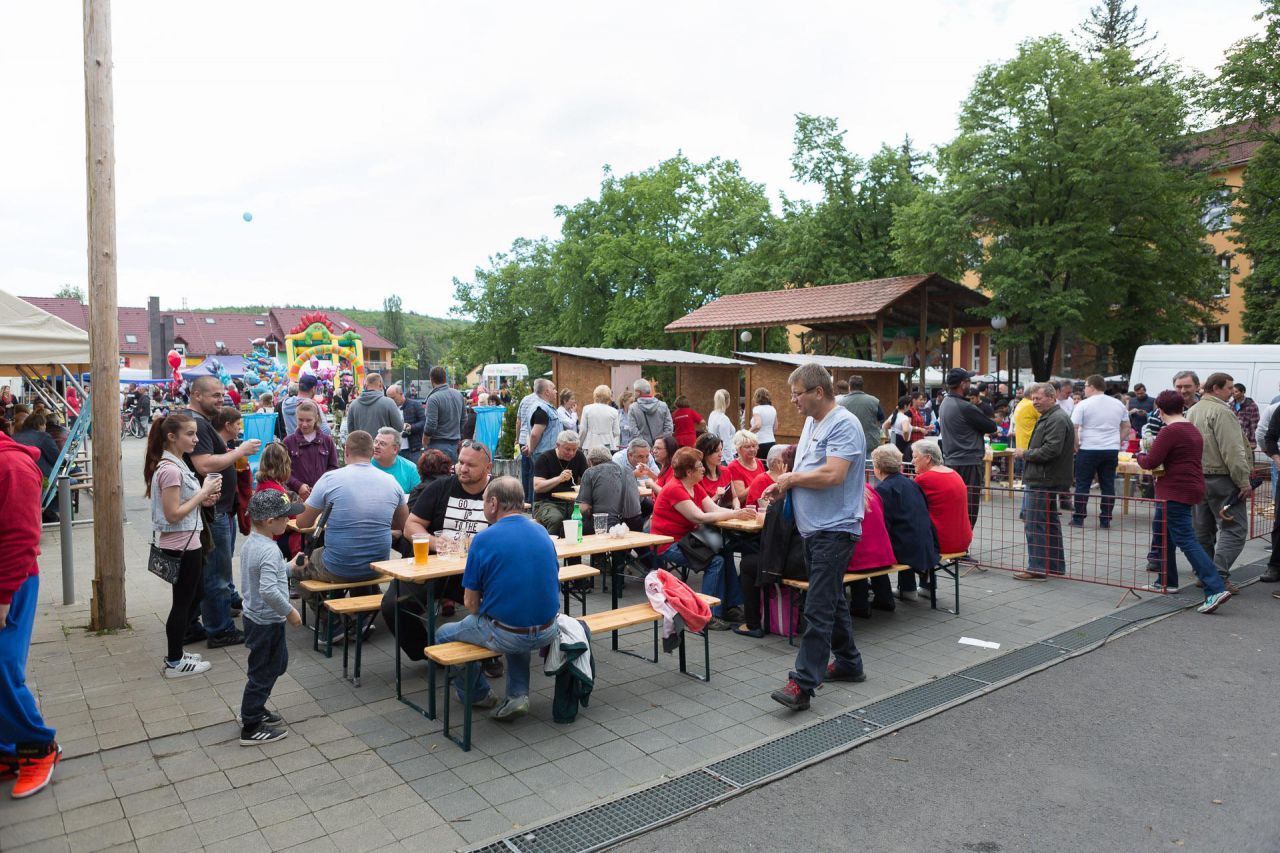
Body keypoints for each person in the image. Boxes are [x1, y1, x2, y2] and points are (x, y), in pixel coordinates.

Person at [763, 362, 867, 711]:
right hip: (813, 528)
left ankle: (803, 683)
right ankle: (849, 662)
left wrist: (791, 480)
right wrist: (784, 486)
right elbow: (808, 468)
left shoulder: (844, 424)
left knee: (817, 607)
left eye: (797, 394)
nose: (792, 400)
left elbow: (834, 474)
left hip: (835, 530)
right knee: (831, 599)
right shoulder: (811, 421)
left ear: (818, 392)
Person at [432, 477, 561, 722]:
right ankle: (517, 695)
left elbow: (471, 604)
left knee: (442, 634)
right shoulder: (541, 530)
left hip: (510, 634)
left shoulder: (483, 539)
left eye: (483, 502)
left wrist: (493, 609)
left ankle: (477, 695)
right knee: (514, 619)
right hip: (549, 629)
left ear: (493, 503)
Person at [387, 439, 495, 661]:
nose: (462, 468)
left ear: (488, 467)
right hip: (435, 567)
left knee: (499, 600)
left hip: (479, 571)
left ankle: (488, 656)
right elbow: (410, 526)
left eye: (471, 465)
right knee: (392, 604)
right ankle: (430, 653)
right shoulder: (439, 487)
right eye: (460, 462)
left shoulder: (499, 491)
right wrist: (435, 542)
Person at [0, 428, 61, 798]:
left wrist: (4, 595)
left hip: (11, 582)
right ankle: (8, 749)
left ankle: (37, 746)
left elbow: (22, 536)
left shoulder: (12, 465)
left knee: (2, 668)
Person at [1136, 391, 1234, 613]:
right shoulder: (1191, 428)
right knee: (1164, 533)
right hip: (1189, 487)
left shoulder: (1170, 431)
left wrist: (1139, 455)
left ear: (1160, 410)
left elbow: (1151, 461)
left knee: (1186, 540)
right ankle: (1167, 581)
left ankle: (1215, 588)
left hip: (1174, 490)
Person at [144, 413, 220, 678]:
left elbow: (182, 506)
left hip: (188, 540)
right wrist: (203, 493)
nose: (196, 439)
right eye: (190, 434)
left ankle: (177, 653)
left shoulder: (177, 464)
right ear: (171, 437)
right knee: (183, 603)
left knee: (194, 596)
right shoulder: (171, 469)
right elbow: (172, 514)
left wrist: (203, 498)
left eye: (195, 433)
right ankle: (174, 661)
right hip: (181, 543)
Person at [187, 376, 261, 649]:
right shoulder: (196, 423)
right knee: (216, 574)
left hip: (214, 509)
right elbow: (204, 464)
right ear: (197, 395)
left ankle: (191, 626)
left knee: (203, 573)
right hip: (212, 511)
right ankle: (219, 629)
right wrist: (239, 451)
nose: (222, 399)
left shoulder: (198, 423)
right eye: (215, 395)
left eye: (222, 394)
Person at [294, 430, 409, 599]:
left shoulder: (330, 479)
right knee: (347, 556)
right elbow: (404, 524)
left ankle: (325, 612)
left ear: (346, 451)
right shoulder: (391, 481)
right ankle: (361, 608)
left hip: (338, 567)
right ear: (372, 452)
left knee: (297, 565)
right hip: (379, 566)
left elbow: (302, 523)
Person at [649, 447, 756, 628]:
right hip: (667, 543)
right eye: (699, 466)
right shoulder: (675, 488)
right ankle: (707, 614)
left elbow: (713, 509)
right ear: (689, 472)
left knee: (726, 550)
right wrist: (735, 514)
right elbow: (698, 517)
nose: (703, 469)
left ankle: (730, 606)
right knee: (715, 562)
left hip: (688, 539)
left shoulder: (693, 485)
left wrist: (737, 513)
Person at [236, 490, 305, 745]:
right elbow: (268, 589)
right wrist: (290, 611)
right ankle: (251, 724)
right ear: (269, 521)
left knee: (274, 665)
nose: (288, 521)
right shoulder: (269, 550)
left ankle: (255, 706)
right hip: (266, 621)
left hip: (256, 618)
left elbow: (267, 575)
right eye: (285, 517)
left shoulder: (253, 544)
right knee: (263, 672)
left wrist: (290, 567)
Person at [1187, 372, 1253, 588]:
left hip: (1198, 478)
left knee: (1202, 530)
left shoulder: (1193, 410)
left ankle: (1205, 575)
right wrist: (1243, 481)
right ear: (1215, 388)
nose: (1232, 392)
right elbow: (1232, 450)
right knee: (1235, 529)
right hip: (1221, 479)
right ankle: (1216, 576)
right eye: (1229, 388)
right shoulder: (1222, 412)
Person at [733, 446, 799, 638]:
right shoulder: (812, 493)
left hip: (796, 563)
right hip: (816, 558)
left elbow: (774, 540)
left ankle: (753, 623)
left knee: (747, 564)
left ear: (785, 467)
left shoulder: (785, 499)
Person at [1012, 383, 1073, 580]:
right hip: (1045, 476)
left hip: (1043, 477)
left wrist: (1025, 454)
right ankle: (1054, 566)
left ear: (1052, 397)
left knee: (1035, 522)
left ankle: (1037, 567)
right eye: (1033, 399)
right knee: (1048, 521)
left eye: (1038, 398)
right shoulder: (1052, 416)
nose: (1035, 402)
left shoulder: (1056, 418)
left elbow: (1051, 450)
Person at [1142, 371, 1201, 575]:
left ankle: (1204, 569)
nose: (1183, 390)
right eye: (1179, 386)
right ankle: (1159, 561)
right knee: (1162, 522)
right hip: (1167, 476)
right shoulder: (1163, 409)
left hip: (1191, 475)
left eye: (1187, 386)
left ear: (1197, 387)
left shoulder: (1200, 408)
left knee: (1194, 526)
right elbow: (1150, 436)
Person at [872, 445, 938, 601]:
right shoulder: (912, 483)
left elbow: (883, 526)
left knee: (873, 548)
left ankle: (883, 597)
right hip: (927, 543)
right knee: (902, 532)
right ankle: (908, 588)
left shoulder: (883, 490)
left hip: (908, 548)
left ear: (878, 468)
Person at [937, 368, 998, 529]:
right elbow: (992, 426)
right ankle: (963, 541)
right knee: (969, 509)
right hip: (968, 462)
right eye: (968, 381)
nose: (970, 385)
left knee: (955, 507)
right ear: (962, 384)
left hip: (952, 461)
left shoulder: (945, 403)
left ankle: (955, 540)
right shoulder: (964, 406)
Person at [1069, 374, 1130, 529]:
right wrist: (1117, 440)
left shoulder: (1083, 405)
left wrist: (1076, 444)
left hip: (1088, 448)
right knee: (1108, 484)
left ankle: (1078, 518)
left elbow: (1074, 427)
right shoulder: (1118, 404)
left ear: (1092, 387)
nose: (1084, 389)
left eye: (1085, 386)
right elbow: (1126, 427)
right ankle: (1105, 519)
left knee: (1082, 484)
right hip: (1110, 449)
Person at [910, 438, 974, 557]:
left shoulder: (924, 479)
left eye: (915, 457)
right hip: (963, 540)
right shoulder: (953, 473)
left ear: (928, 458)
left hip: (942, 542)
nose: (912, 461)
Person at [847, 484, 897, 617]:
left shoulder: (842, 493)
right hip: (883, 553)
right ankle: (885, 599)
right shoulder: (869, 489)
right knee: (870, 560)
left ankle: (860, 605)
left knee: (855, 556)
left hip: (861, 557)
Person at [532, 430, 588, 535]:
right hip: (546, 502)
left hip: (571, 502)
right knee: (556, 519)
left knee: (586, 515)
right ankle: (552, 544)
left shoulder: (579, 456)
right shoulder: (545, 458)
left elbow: (587, 479)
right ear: (557, 445)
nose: (571, 453)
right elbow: (537, 487)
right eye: (567, 449)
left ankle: (578, 543)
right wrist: (559, 479)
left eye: (574, 449)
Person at [282, 400, 338, 501]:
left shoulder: (327, 441)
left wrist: (322, 485)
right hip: (296, 498)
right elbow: (283, 471)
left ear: (316, 418)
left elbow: (333, 467)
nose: (304, 424)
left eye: (308, 420)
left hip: (322, 497)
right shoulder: (288, 442)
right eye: (300, 420)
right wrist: (298, 485)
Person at [518, 378, 562, 504]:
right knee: (542, 490)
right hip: (545, 455)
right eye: (553, 389)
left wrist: (529, 447)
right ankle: (539, 512)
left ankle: (538, 510)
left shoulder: (541, 407)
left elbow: (530, 432)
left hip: (544, 453)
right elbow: (534, 434)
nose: (556, 391)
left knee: (539, 487)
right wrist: (531, 449)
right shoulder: (541, 409)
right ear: (547, 392)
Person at [578, 446, 642, 532]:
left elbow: (583, 508)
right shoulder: (628, 470)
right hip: (634, 524)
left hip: (606, 525)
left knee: (564, 530)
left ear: (590, 461)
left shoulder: (590, 472)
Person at [422, 367, 465, 461]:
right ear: (445, 378)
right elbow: (464, 419)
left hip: (438, 446)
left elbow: (431, 424)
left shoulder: (433, 398)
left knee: (437, 470)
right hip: (456, 445)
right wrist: (457, 433)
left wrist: (425, 440)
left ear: (431, 380)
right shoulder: (458, 395)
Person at [343, 373, 404, 439]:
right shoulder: (389, 403)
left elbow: (351, 431)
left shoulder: (353, 405)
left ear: (365, 386)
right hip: (384, 444)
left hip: (362, 444)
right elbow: (399, 428)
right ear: (381, 385)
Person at [838, 375, 885, 458]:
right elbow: (881, 419)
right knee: (869, 466)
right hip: (870, 444)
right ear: (862, 386)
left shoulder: (840, 403)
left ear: (849, 387)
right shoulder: (874, 401)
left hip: (848, 444)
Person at [625, 379, 674, 449]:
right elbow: (669, 428)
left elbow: (633, 430)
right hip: (661, 448)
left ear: (638, 392)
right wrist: (660, 442)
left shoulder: (633, 408)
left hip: (641, 448)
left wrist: (644, 444)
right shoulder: (663, 406)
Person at [372, 426, 422, 494]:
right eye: (375, 442)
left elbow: (418, 497)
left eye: (382, 444)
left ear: (395, 449)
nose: (376, 446)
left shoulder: (411, 469)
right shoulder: (364, 464)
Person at [12, 413, 58, 479]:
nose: (45, 427)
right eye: (44, 424)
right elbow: (56, 459)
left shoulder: (13, 437)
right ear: (40, 425)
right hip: (41, 478)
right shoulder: (43, 436)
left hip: (18, 476)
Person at [387, 384, 425, 462]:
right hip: (395, 449)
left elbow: (424, 422)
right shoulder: (388, 408)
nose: (391, 400)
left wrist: (411, 427)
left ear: (401, 394)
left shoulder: (415, 405)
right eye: (388, 398)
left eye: (393, 398)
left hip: (413, 449)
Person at [578, 385, 620, 452]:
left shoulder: (587, 409)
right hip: (608, 446)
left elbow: (583, 430)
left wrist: (579, 445)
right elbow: (616, 432)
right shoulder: (614, 411)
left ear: (595, 395)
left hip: (590, 445)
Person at [726, 430, 764, 502]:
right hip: (746, 506)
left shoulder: (758, 462)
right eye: (747, 447)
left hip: (761, 503)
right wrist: (758, 482)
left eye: (754, 446)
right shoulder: (734, 467)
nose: (752, 449)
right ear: (738, 449)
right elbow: (740, 498)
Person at [706, 389, 737, 460]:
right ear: (728, 401)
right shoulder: (723, 419)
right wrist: (730, 461)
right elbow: (725, 443)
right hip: (725, 457)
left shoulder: (712, 414)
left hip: (717, 455)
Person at [1230, 383, 1260, 448]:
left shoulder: (1252, 406)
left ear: (1243, 392)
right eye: (1232, 392)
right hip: (1232, 438)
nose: (1233, 394)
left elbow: (1254, 425)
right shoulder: (1231, 405)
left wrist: (1252, 441)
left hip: (1245, 439)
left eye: (1236, 392)